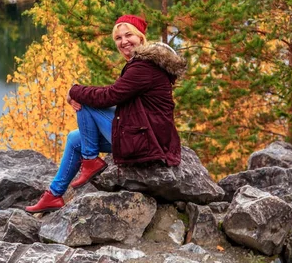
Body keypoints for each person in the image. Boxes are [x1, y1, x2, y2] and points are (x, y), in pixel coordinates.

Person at [25, 14, 186, 213]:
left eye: (129, 35)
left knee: (86, 102)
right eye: (118, 38)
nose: (124, 41)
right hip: (148, 136)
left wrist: (74, 91)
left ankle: (91, 159)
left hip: (149, 140)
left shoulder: (144, 66)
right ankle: (53, 195)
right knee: (75, 138)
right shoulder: (141, 63)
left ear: (141, 37)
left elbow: (109, 96)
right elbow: (117, 96)